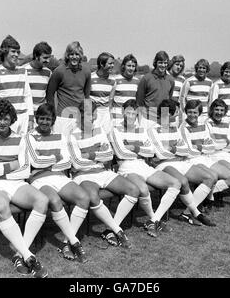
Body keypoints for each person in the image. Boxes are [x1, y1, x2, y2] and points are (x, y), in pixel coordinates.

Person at [0, 98, 49, 278]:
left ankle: (19, 254)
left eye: (6, 119)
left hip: (15, 183)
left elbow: (25, 170)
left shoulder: (19, 138)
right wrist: (11, 165)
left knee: (42, 200)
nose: (2, 122)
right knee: (1, 207)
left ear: (12, 120)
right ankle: (29, 255)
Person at [68, 100, 139, 248]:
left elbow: (109, 155)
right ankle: (117, 230)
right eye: (89, 115)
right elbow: (77, 164)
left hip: (102, 171)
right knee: (93, 197)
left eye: (94, 115)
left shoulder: (99, 128)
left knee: (133, 190)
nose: (92, 119)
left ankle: (110, 229)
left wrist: (88, 154)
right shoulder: (71, 134)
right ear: (80, 115)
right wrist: (97, 152)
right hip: (83, 175)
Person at [26, 103, 89, 263]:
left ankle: (66, 242)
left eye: (48, 119)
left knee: (83, 198)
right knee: (54, 200)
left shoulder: (60, 136)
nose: (45, 122)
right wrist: (55, 159)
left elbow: (67, 161)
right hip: (38, 178)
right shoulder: (29, 136)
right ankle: (74, 242)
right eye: (42, 119)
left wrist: (48, 162)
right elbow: (35, 162)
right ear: (36, 119)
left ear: (53, 120)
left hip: (59, 176)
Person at [110, 99, 182, 238]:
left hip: (143, 165)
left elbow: (150, 152)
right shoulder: (115, 130)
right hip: (126, 167)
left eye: (134, 113)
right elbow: (121, 153)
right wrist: (140, 149)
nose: (131, 116)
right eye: (128, 113)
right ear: (122, 113)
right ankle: (154, 220)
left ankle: (154, 220)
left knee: (175, 183)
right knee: (142, 189)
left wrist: (134, 147)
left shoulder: (141, 130)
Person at [147, 99, 216, 226]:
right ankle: (196, 213)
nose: (168, 117)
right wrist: (176, 150)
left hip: (180, 162)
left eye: (173, 114)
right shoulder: (153, 129)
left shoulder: (174, 128)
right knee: (183, 181)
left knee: (210, 177)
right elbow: (161, 154)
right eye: (164, 114)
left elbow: (185, 150)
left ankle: (187, 213)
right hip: (163, 164)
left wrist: (173, 149)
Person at [179, 99, 230, 213]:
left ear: (199, 113)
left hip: (206, 157)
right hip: (192, 160)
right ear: (185, 112)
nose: (192, 115)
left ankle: (210, 196)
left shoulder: (201, 124)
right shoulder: (183, 127)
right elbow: (190, 151)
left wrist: (201, 147)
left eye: (195, 112)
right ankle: (195, 208)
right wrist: (203, 147)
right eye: (189, 112)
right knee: (212, 177)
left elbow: (210, 146)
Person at [0, 35, 34, 135]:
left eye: (18, 52)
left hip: (23, 117)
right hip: (6, 119)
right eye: (13, 51)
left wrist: (31, 117)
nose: (16, 54)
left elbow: (27, 95)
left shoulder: (23, 71)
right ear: (5, 52)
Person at [46, 41, 91, 135]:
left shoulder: (86, 72)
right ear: (67, 55)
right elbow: (50, 94)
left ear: (81, 56)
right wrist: (52, 114)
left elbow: (87, 96)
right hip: (62, 117)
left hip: (79, 117)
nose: (74, 57)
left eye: (77, 54)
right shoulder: (59, 71)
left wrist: (87, 118)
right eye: (71, 54)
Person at [136, 51, 175, 123]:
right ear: (155, 63)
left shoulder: (171, 80)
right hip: (148, 117)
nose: (163, 65)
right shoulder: (146, 78)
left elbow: (169, 98)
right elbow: (139, 101)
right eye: (160, 62)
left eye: (165, 63)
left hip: (164, 117)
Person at [22, 42, 53, 116]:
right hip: (26, 113)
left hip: (41, 115)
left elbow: (49, 95)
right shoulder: (23, 71)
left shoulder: (48, 72)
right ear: (36, 56)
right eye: (45, 58)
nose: (48, 61)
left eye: (49, 57)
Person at [109, 54, 140, 126]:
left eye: (133, 66)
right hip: (117, 118)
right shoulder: (115, 80)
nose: (131, 68)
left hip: (131, 118)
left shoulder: (137, 82)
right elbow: (110, 100)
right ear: (123, 66)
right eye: (129, 66)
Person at [179, 59, 213, 123]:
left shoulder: (210, 83)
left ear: (207, 70)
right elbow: (182, 97)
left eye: (204, 68)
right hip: (191, 114)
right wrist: (185, 111)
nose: (201, 70)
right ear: (196, 68)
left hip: (204, 115)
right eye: (200, 67)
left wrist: (209, 112)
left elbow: (210, 100)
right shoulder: (189, 81)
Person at [89, 52, 116, 133]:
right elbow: (85, 97)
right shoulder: (90, 78)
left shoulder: (113, 81)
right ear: (101, 63)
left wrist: (110, 114)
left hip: (106, 114)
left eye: (113, 63)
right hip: (93, 113)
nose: (112, 66)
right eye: (110, 63)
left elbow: (110, 100)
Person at [167, 55, 186, 124]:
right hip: (164, 109)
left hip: (176, 110)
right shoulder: (164, 75)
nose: (179, 67)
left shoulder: (182, 79)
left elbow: (182, 96)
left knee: (174, 131)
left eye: (181, 66)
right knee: (164, 130)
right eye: (177, 64)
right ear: (172, 64)